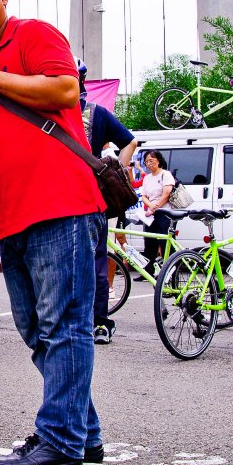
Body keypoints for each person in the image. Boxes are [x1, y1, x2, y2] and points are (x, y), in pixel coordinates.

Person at [0, 0, 106, 465]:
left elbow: (65, 91)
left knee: (64, 326)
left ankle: (60, 441)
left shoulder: (33, 34)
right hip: (15, 216)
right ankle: (83, 432)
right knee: (36, 328)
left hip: (63, 203)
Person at [77, 58, 137, 345]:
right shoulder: (96, 112)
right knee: (97, 263)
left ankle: (72, 322)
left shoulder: (48, 111)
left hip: (59, 201)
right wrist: (116, 172)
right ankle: (99, 322)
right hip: (93, 199)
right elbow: (130, 141)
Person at [139, 150, 174, 277]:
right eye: (146, 161)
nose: (149, 164)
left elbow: (166, 194)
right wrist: (150, 206)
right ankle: (148, 271)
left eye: (151, 160)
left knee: (165, 243)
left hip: (164, 212)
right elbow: (143, 196)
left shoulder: (166, 174)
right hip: (150, 213)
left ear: (158, 161)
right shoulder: (147, 178)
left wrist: (155, 207)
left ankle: (170, 271)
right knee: (149, 242)